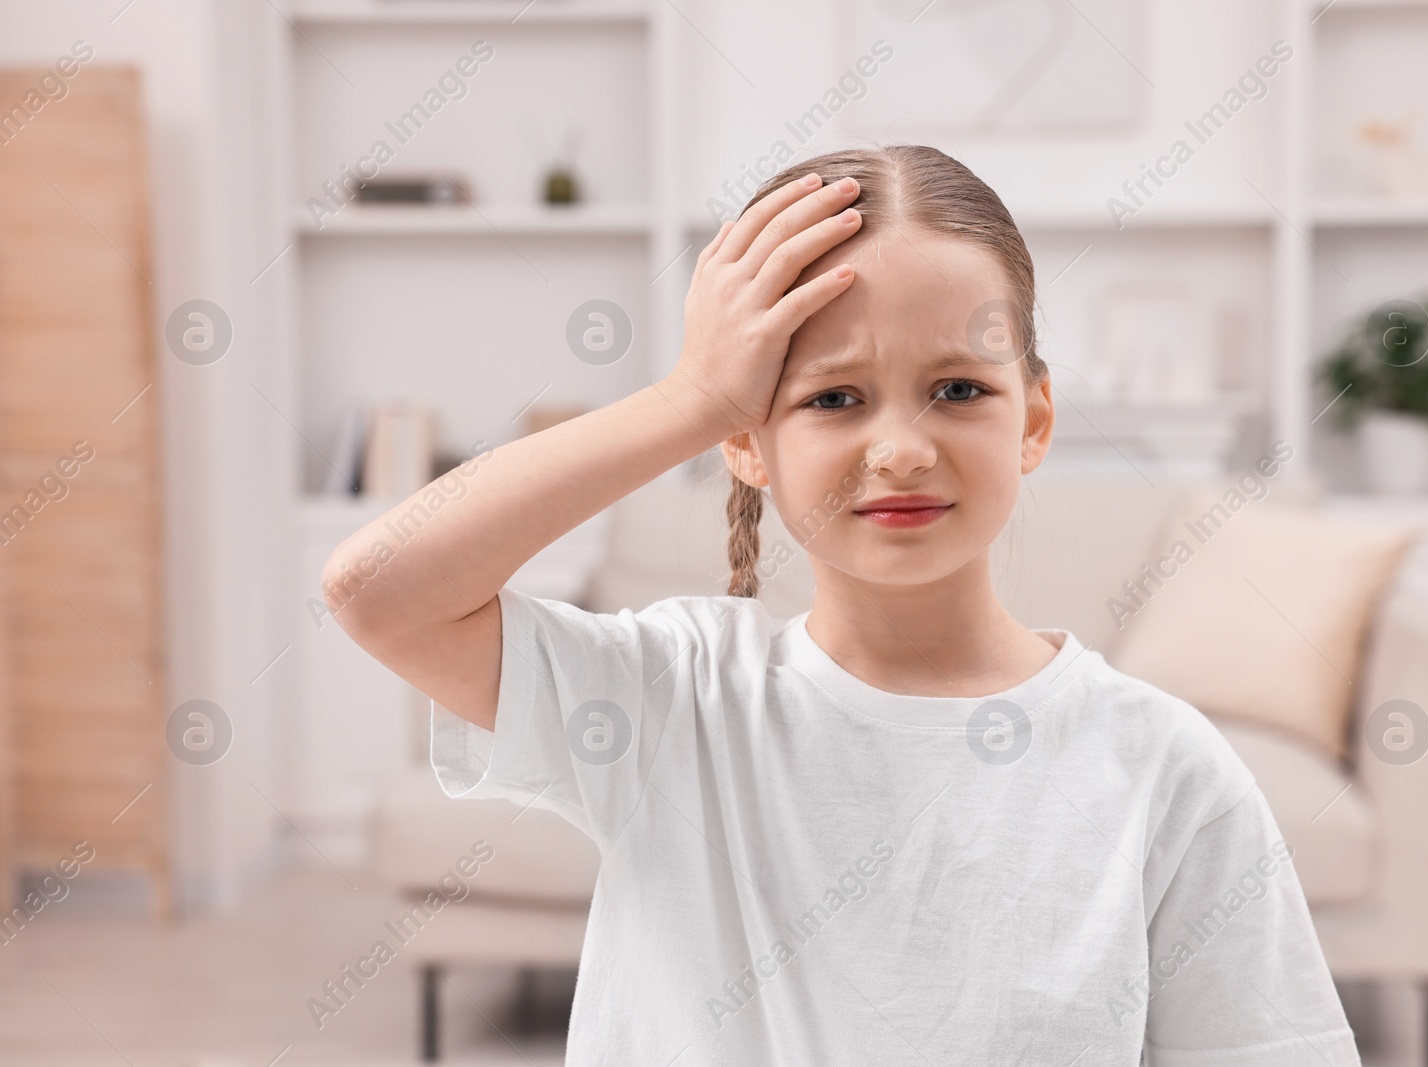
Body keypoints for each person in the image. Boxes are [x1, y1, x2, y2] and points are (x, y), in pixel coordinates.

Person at [326, 144, 1361, 1065]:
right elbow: (378, 592)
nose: (903, 447)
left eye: (958, 388)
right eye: (832, 396)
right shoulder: (673, 701)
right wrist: (688, 398)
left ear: (1033, 418)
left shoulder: (1161, 765)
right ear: (745, 440)